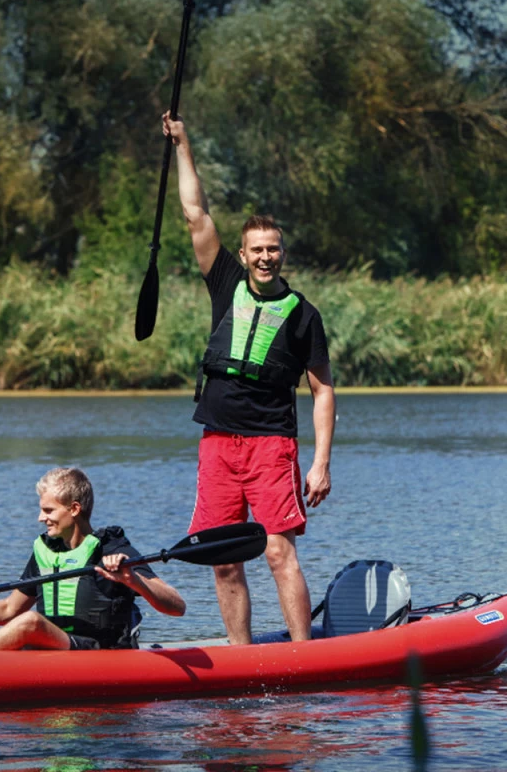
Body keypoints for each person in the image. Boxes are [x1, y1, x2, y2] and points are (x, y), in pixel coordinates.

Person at [163, 110, 337, 645]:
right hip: (218, 442)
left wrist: (320, 463)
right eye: (257, 250)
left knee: (278, 551)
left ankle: (303, 656)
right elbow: (195, 212)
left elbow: (323, 391)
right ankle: (241, 660)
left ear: (283, 253)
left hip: (271, 445)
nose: (265, 257)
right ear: (242, 255)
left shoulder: (303, 315)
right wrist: (182, 143)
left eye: (273, 249)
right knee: (223, 559)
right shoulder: (224, 282)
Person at [0, 467, 186, 650]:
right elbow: (8, 610)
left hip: (92, 652)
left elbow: (177, 606)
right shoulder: (46, 550)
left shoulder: (111, 548)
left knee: (31, 622)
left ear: (74, 509)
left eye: (48, 510)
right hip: (44, 647)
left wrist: (133, 580)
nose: (41, 518)